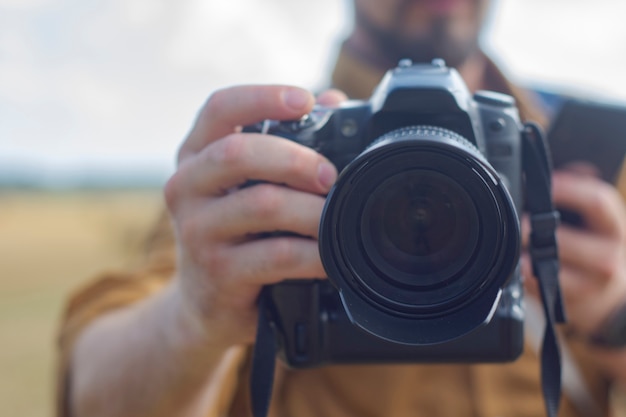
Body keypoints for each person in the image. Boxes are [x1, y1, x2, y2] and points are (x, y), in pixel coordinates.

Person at [56, 0, 626, 416]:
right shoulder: (271, 157)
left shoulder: (591, 152)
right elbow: (95, 396)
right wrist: (190, 320)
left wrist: (615, 319)